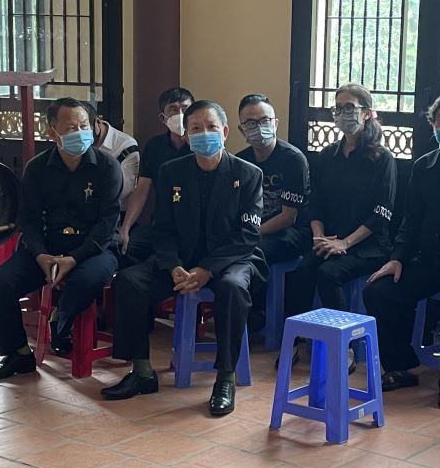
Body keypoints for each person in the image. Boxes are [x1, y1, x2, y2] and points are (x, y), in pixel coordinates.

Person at [102, 100, 262, 416]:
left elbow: (247, 236)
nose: (205, 134)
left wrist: (207, 269)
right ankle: (142, 370)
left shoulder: (247, 174)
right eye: (196, 129)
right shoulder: (171, 172)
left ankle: (225, 377)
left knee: (232, 288)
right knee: (129, 282)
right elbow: (162, 228)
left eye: (211, 127)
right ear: (186, 136)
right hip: (180, 259)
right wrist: (173, 265)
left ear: (225, 132)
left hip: (230, 260)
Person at [0, 97, 122, 379]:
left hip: (95, 248)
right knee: (0, 282)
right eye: (70, 128)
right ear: (52, 133)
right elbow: (29, 220)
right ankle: (18, 354)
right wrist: (41, 255)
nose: (80, 133)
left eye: (84, 126)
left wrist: (74, 258)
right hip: (48, 247)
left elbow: (108, 223)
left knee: (85, 281)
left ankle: (61, 324)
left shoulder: (107, 166)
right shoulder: (37, 168)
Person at [364, 91, 440, 408]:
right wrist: (397, 258)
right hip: (429, 261)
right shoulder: (424, 166)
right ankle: (402, 366)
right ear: (433, 126)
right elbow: (411, 220)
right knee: (378, 291)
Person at [284, 83, 397, 317]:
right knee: (302, 271)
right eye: (337, 108)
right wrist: (319, 237)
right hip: (330, 240)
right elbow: (316, 203)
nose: (342, 113)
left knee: (328, 273)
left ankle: (343, 338)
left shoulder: (382, 158)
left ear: (366, 113)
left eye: (349, 107)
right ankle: (295, 335)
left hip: (368, 246)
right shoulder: (327, 155)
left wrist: (345, 243)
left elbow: (381, 212)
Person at [235, 93, 310, 326]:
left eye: (264, 120)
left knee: (254, 249)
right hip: (253, 229)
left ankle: (257, 311)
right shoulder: (240, 161)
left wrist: (251, 234)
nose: (259, 127)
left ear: (275, 123)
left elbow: (288, 217)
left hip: (291, 232)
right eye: (250, 123)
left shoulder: (293, 159)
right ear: (241, 130)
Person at [121, 86, 193, 262]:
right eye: (173, 109)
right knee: (125, 247)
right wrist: (125, 228)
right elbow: (141, 190)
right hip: (161, 224)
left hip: (192, 226)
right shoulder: (154, 146)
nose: (180, 114)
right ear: (163, 117)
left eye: (185, 109)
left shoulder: (202, 146)